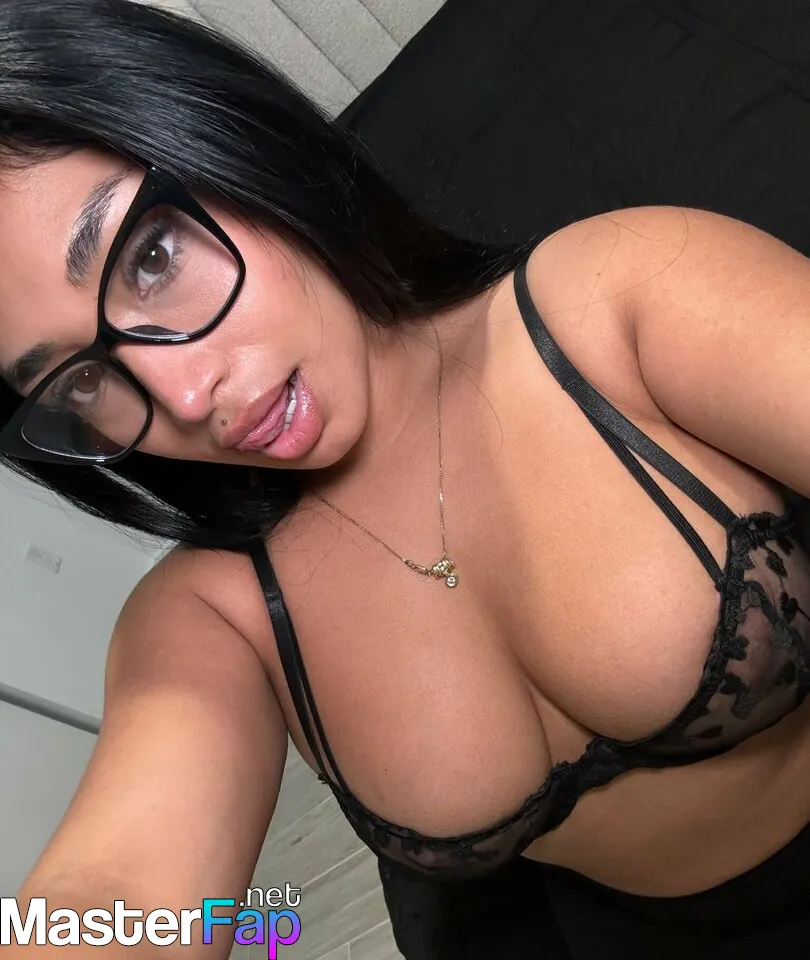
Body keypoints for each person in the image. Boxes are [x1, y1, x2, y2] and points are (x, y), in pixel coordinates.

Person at [2, 1, 810, 958]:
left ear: (228, 140)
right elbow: (117, 894)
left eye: (152, 259)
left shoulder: (615, 305)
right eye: (82, 379)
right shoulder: (214, 614)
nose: (181, 395)